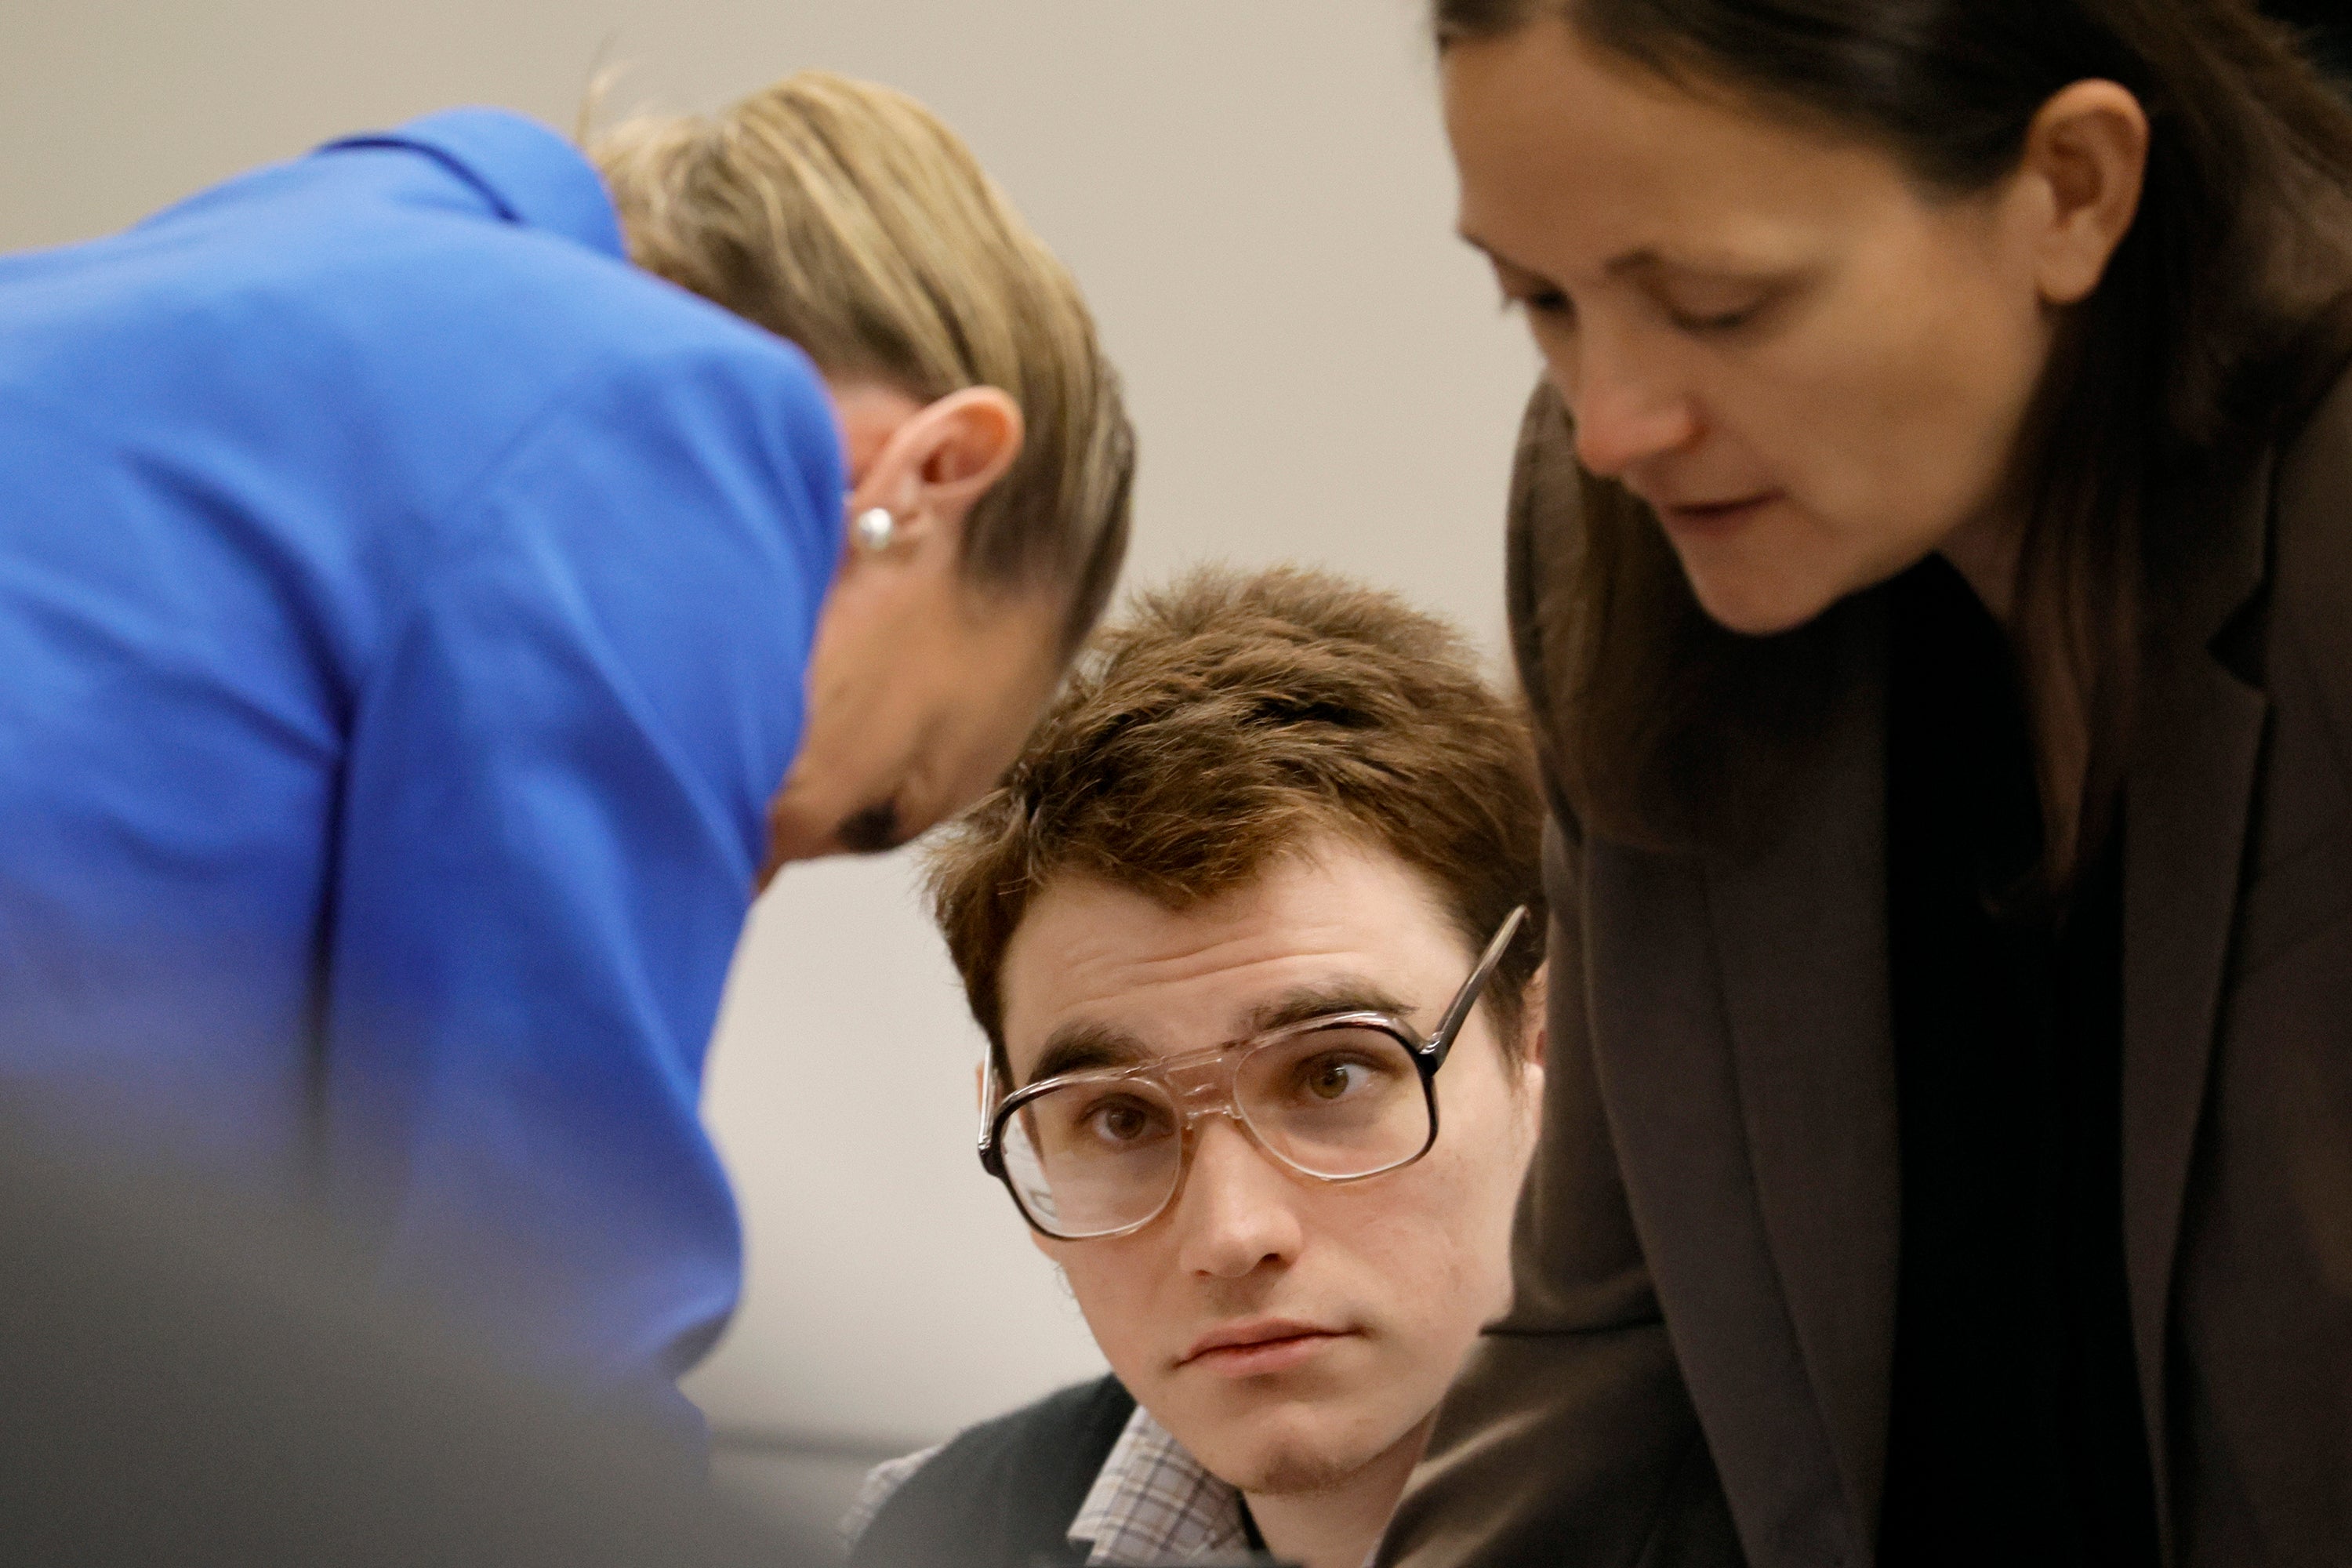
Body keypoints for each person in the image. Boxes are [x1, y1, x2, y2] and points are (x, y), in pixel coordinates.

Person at [0, 71, 1132, 1431]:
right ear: (928, 477)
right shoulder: (673, 421)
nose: (758, 873)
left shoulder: (247, 280)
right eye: (881, 807)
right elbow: (535, 1306)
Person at [1384, 3, 2352, 1566]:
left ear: (2074, 190)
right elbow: (1601, 1369)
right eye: (1541, 301)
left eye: (1719, 303)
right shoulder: (1612, 538)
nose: (1617, 421)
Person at [842, 568, 1549, 1568]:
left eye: (1333, 1076)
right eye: (1120, 1119)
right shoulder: (931, 1534)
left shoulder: (1798, 1501)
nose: (1232, 1234)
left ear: (1545, 1049)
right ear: (1025, 1136)